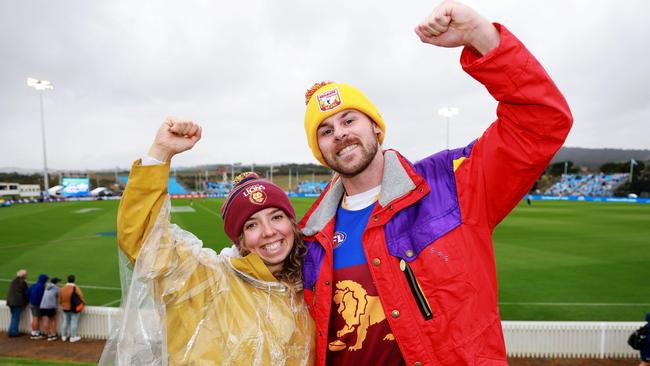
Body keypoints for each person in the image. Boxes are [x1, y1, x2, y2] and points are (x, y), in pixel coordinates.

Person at [299, 1, 572, 365]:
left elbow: (540, 123)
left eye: (349, 120)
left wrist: (482, 37)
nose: (341, 134)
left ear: (376, 127)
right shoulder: (309, 238)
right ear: (319, 150)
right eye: (326, 130)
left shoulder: (454, 182)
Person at [99, 119, 314, 365]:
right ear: (240, 239)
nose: (268, 231)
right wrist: (160, 153)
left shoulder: (311, 286)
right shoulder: (204, 281)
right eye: (251, 225)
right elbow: (145, 239)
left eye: (276, 217)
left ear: (291, 222)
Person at [60, 274, 85, 342]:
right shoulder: (76, 288)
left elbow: (60, 299)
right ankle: (73, 337)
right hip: (74, 308)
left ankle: (64, 336)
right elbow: (81, 297)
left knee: (65, 322)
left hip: (65, 308)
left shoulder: (62, 288)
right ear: (74, 280)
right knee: (74, 322)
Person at [6, 269, 29, 337]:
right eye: (26, 275)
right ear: (23, 275)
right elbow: (26, 293)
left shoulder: (13, 281)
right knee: (16, 317)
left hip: (10, 301)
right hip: (17, 302)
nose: (27, 276)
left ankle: (11, 331)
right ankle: (13, 332)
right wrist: (26, 302)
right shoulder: (22, 282)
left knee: (13, 317)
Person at [26, 273, 48, 340]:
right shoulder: (41, 286)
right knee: (36, 318)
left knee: (34, 318)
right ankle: (35, 334)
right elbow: (42, 296)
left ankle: (35, 332)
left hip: (32, 303)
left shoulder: (34, 284)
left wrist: (29, 300)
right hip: (36, 304)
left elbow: (27, 292)